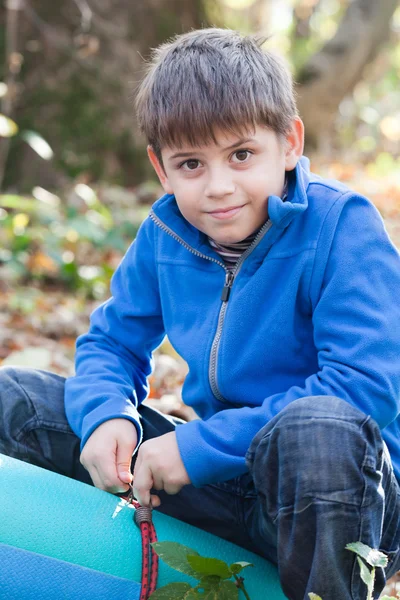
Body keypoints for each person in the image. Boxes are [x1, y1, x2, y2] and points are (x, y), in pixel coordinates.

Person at [1, 28, 400, 600]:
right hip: (226, 485)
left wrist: (196, 449)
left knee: (318, 430)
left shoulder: (342, 227)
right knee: (20, 404)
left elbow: (363, 388)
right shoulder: (166, 234)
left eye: (242, 155)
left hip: (342, 497)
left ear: (289, 143)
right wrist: (107, 416)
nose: (218, 187)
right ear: (160, 168)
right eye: (190, 163)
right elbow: (112, 344)